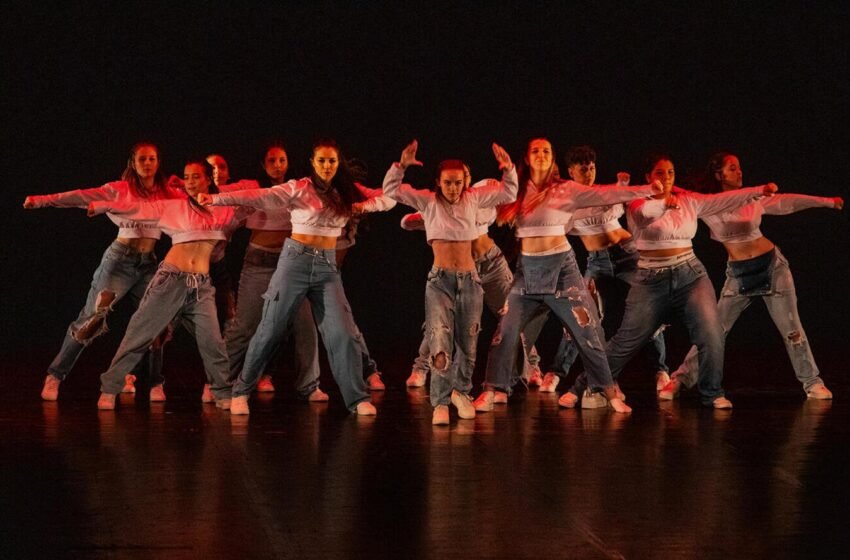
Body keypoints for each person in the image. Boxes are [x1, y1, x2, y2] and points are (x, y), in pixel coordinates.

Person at [564, 154, 778, 409]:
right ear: (648, 177)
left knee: (711, 334)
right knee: (625, 342)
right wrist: (664, 205)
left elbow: (721, 200)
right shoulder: (636, 202)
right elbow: (645, 215)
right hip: (650, 279)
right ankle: (581, 385)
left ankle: (712, 392)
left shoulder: (688, 200)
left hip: (690, 274)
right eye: (659, 173)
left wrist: (758, 191)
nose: (665, 178)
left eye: (670, 173)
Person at [200, 138, 395, 415]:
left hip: (327, 269)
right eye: (322, 160)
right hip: (295, 263)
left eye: (332, 161)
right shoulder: (299, 188)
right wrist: (217, 198)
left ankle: (357, 398)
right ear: (313, 162)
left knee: (343, 332)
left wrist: (366, 204)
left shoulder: (346, 192)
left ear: (338, 164)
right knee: (270, 329)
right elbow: (259, 197)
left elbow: (388, 199)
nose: (327, 166)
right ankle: (242, 390)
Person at [475, 138, 664, 414]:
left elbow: (607, 195)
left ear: (552, 159)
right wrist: (505, 170)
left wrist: (648, 189)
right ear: (527, 158)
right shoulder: (514, 189)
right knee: (505, 331)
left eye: (546, 151)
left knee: (587, 331)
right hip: (527, 273)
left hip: (562, 271)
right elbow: (477, 195)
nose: (541, 155)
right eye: (535, 151)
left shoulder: (566, 189)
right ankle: (492, 389)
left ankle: (607, 391)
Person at [660, 152, 843, 400]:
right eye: (732, 168)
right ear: (719, 174)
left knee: (792, 329)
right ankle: (680, 379)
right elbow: (677, 192)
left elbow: (787, 202)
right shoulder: (706, 203)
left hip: (773, 269)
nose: (740, 172)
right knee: (714, 331)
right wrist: (658, 187)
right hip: (739, 275)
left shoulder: (752, 198)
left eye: (739, 168)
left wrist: (826, 201)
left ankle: (812, 382)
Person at [87, 160, 253, 410]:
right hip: (171, 280)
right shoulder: (174, 207)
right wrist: (103, 205)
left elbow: (255, 194)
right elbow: (136, 209)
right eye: (186, 177)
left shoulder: (223, 209)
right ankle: (110, 387)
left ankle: (222, 392)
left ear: (209, 179)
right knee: (140, 334)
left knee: (213, 342)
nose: (190, 182)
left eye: (196, 177)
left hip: (201, 286)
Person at [24, 142, 179, 402]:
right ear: (133, 162)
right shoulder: (119, 190)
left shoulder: (167, 192)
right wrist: (41, 201)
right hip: (120, 260)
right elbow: (80, 196)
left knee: (157, 321)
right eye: (142, 159)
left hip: (148, 263)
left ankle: (150, 381)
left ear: (158, 162)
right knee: (92, 319)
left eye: (152, 158)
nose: (148, 163)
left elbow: (200, 196)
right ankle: (55, 375)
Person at [383, 140, 517, 424]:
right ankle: (440, 402)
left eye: (458, 183)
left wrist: (507, 167)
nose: (453, 188)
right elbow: (392, 191)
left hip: (470, 280)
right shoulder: (428, 201)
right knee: (440, 340)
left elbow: (509, 192)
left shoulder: (474, 199)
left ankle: (461, 392)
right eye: (448, 183)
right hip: (440, 282)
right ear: (438, 183)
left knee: (468, 342)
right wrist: (401, 165)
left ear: (465, 183)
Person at [523, 145, 670, 394]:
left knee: (648, 310)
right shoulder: (567, 202)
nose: (589, 172)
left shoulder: (605, 192)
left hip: (627, 256)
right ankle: (556, 372)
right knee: (580, 315)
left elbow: (628, 198)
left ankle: (661, 370)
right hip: (597, 262)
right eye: (583, 168)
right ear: (571, 172)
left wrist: (623, 185)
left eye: (592, 167)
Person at [399, 163, 540, 392]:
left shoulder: (482, 193)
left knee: (512, 314)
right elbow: (408, 221)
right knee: (439, 321)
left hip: (491, 263)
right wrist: (425, 221)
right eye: (452, 181)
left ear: (468, 179)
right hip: (461, 269)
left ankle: (532, 366)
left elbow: (510, 194)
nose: (457, 185)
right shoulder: (444, 203)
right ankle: (421, 367)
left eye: (462, 178)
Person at [220, 143, 327, 402]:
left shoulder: (297, 188)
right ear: (263, 164)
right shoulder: (253, 187)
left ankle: (309, 385)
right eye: (271, 160)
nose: (277, 165)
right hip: (259, 261)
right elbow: (222, 193)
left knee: (305, 324)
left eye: (282, 160)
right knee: (245, 325)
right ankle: (219, 381)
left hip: (292, 263)